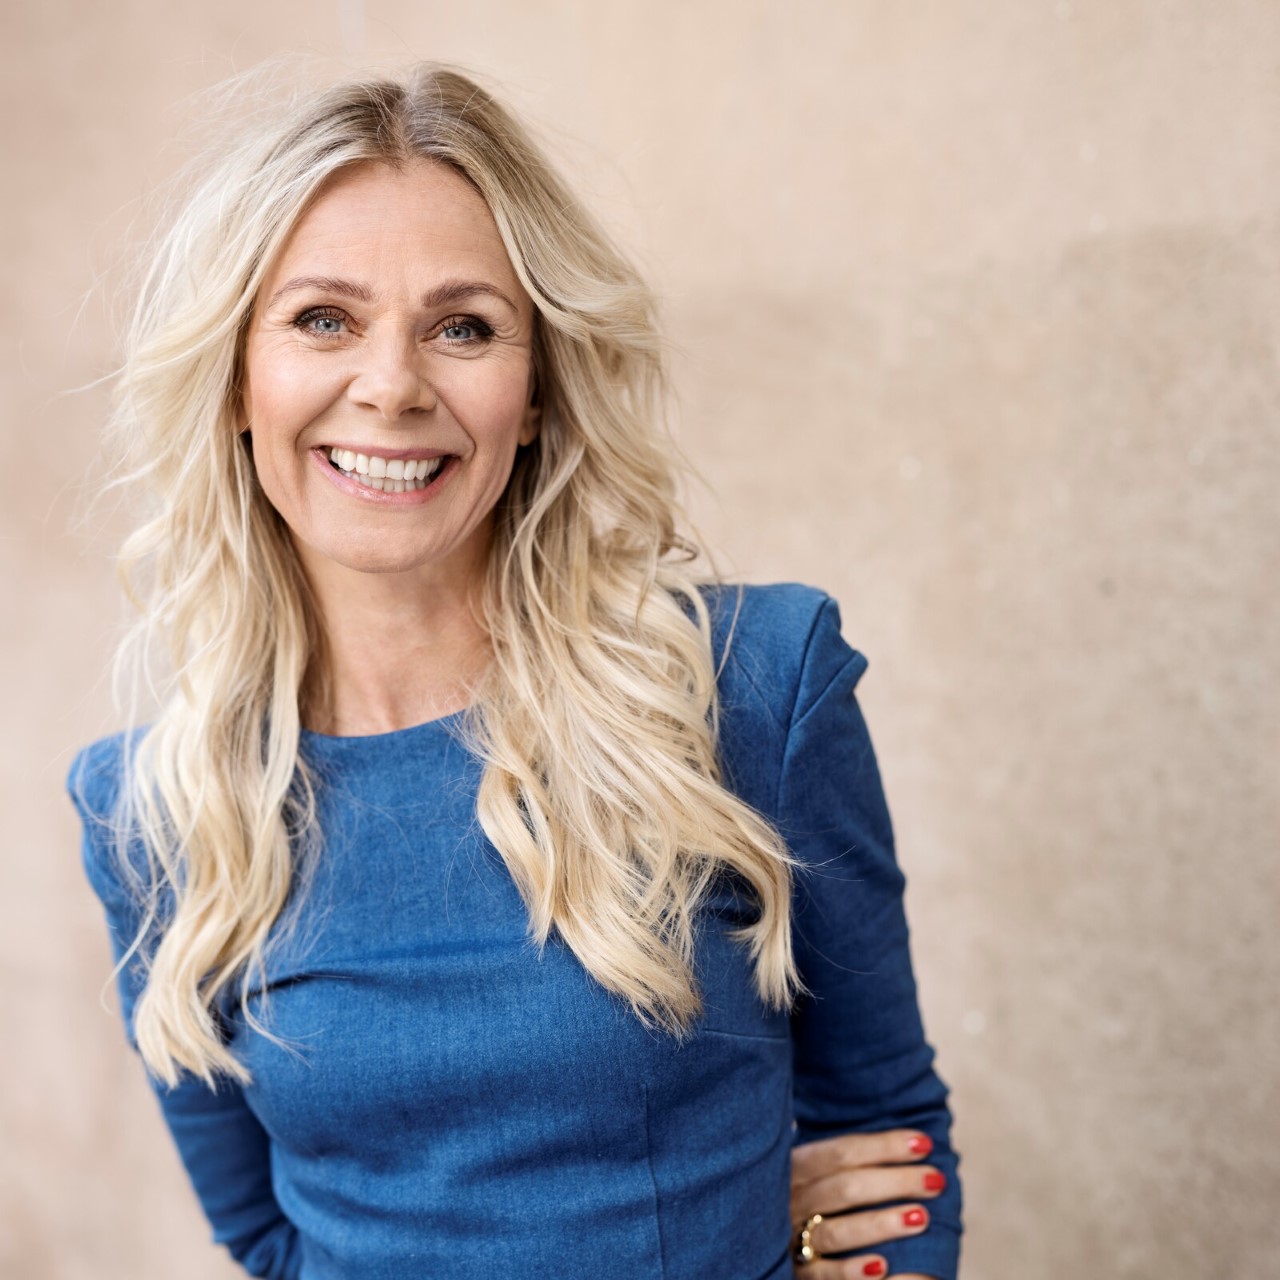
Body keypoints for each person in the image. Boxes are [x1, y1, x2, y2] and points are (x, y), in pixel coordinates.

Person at [68, 64, 962, 1279]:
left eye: (464, 327)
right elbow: (269, 1238)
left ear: (536, 392)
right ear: (236, 378)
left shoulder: (751, 684)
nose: (391, 385)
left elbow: (885, 1137)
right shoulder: (152, 809)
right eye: (322, 319)